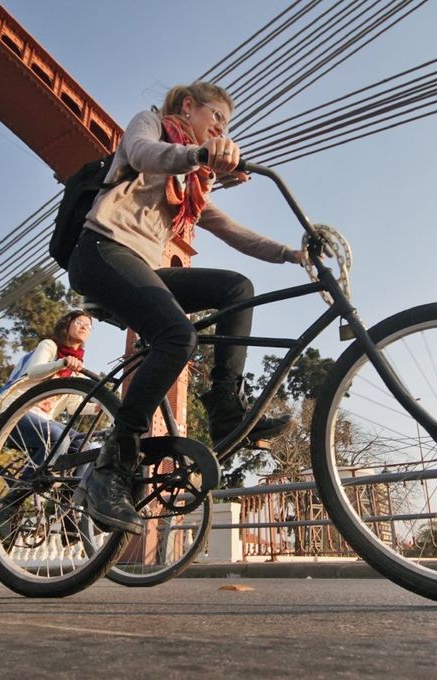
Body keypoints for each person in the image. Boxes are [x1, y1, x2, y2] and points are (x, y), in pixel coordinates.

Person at [66, 82, 303, 534]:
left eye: (227, 125)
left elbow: (230, 229)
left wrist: (291, 254)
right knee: (179, 336)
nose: (221, 128)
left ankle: (225, 409)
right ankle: (111, 467)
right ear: (189, 107)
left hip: (142, 267)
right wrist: (199, 155)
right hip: (101, 251)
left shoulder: (190, 182)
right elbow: (139, 153)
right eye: (217, 117)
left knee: (237, 286)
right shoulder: (151, 125)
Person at [0, 309, 93, 480]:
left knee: (85, 446)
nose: (84, 327)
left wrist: (98, 407)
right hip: (18, 410)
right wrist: (61, 363)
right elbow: (34, 371)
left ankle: (69, 501)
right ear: (67, 325)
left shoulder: (77, 368)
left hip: (44, 420)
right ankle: (17, 495)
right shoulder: (50, 346)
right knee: (57, 437)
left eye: (89, 326)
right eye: (79, 323)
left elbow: (73, 407)